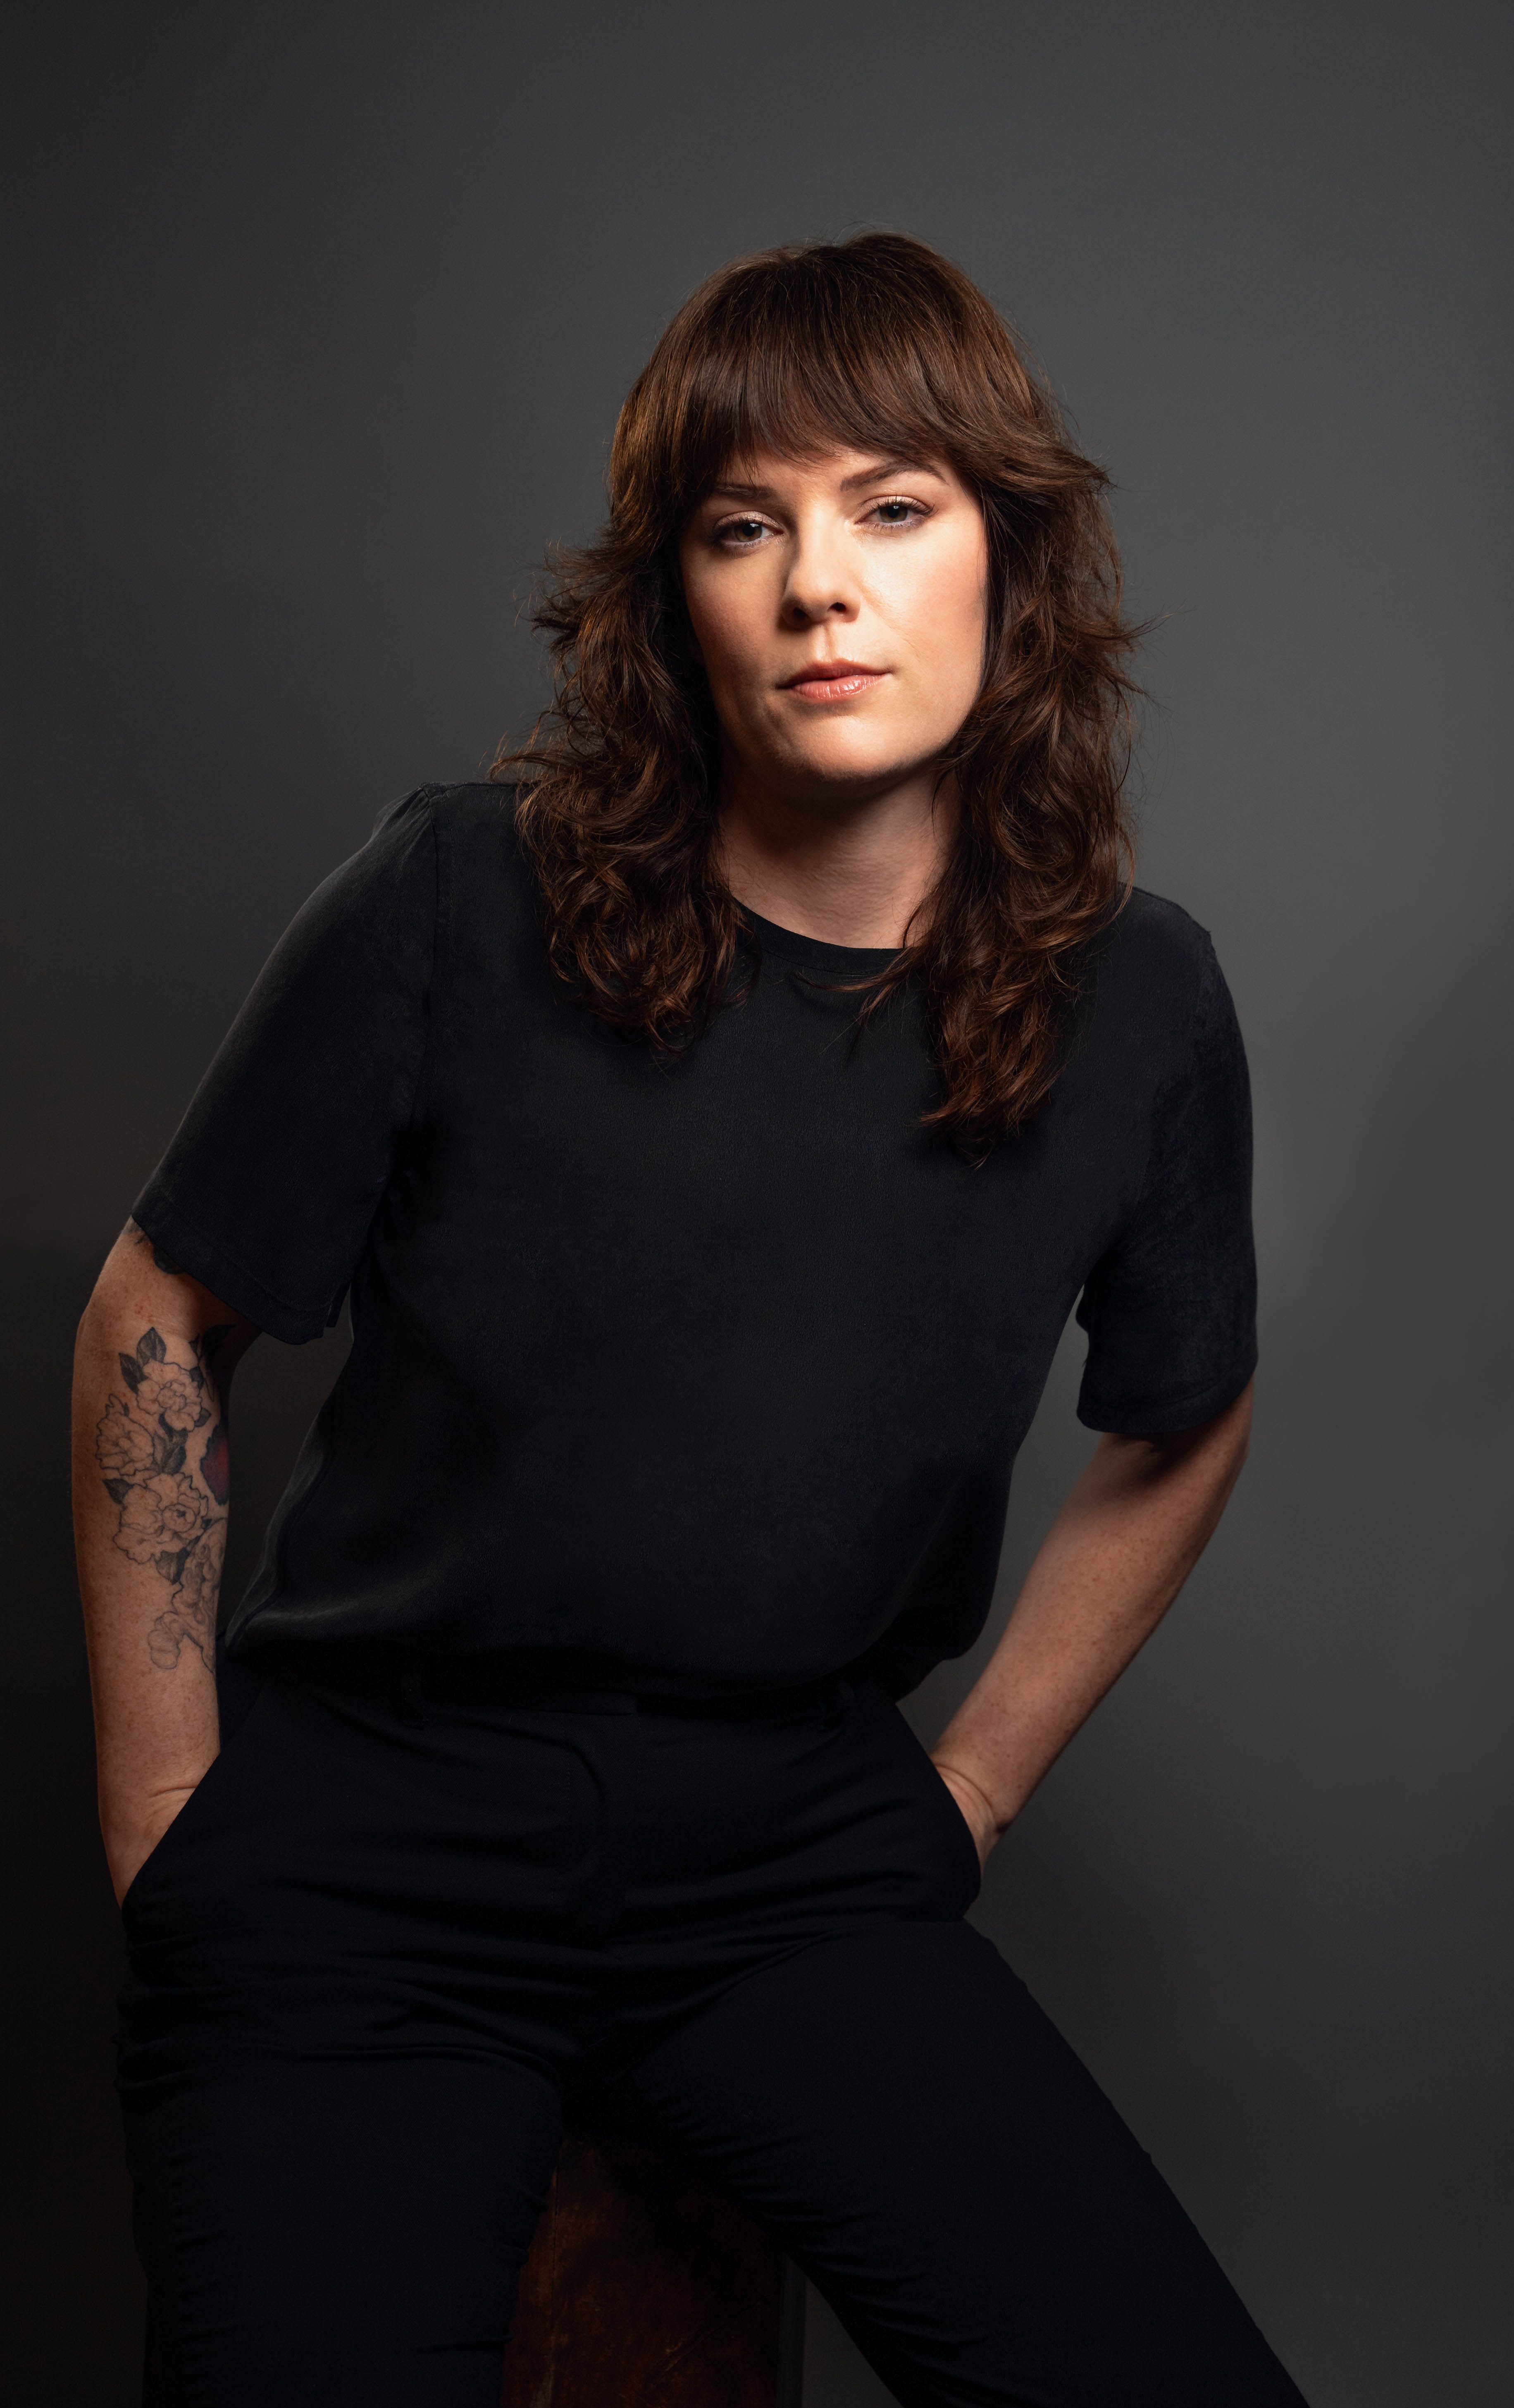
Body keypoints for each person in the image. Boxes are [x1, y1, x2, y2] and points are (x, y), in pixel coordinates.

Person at [71, 232, 1305, 2407]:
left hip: (792, 1856)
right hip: (376, 1843)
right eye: (749, 527)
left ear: (1011, 556)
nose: (820, 583)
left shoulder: (1144, 998)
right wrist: (171, 1818)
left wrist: (972, 1790)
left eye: (893, 508)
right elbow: (163, 1310)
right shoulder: (459, 896)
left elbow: (1185, 1413)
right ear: (682, 598)